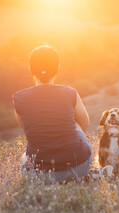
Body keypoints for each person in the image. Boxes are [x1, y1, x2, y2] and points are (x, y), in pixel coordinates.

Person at [13, 45, 92, 183]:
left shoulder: (19, 98)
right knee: (75, 121)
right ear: (57, 68)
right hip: (79, 166)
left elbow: (25, 127)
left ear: (30, 69)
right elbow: (85, 124)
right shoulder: (70, 93)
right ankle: (83, 177)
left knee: (24, 157)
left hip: (39, 176)